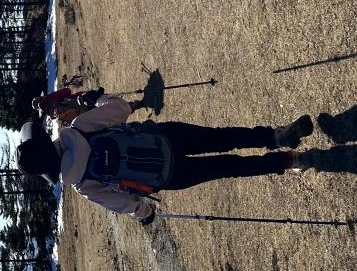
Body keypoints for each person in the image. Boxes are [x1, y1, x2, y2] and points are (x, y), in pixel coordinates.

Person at [16, 94, 314, 224]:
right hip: (164, 137)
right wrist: (96, 100)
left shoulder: (81, 184)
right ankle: (276, 136)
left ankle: (290, 160)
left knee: (229, 168)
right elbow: (121, 108)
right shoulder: (79, 128)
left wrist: (145, 214)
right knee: (222, 137)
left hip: (168, 176)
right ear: (44, 140)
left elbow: (125, 204)